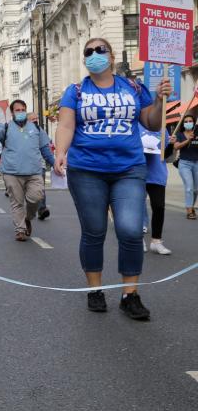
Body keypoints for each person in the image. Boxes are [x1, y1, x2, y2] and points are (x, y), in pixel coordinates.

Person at [54, 37, 169, 321]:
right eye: (88, 52)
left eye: (99, 50)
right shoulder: (76, 91)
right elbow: (66, 124)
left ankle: (130, 295)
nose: (94, 55)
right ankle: (96, 290)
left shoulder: (132, 87)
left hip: (129, 168)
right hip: (86, 170)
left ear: (112, 55)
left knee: (130, 230)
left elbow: (151, 123)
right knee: (94, 231)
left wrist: (158, 100)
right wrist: (60, 152)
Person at [0, 99, 55, 241]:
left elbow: (45, 149)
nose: (21, 112)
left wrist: (55, 164)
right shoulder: (6, 128)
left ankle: (28, 218)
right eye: (17, 110)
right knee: (17, 202)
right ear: (12, 113)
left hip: (34, 172)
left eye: (23, 109)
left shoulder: (36, 128)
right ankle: (20, 230)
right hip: (11, 172)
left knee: (36, 198)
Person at [140, 128, 172, 255]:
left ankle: (156, 241)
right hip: (137, 173)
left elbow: (166, 154)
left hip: (157, 174)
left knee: (159, 207)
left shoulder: (163, 128)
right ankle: (138, 239)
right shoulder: (137, 125)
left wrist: (172, 144)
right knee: (137, 208)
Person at [174, 113, 198, 219]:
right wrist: (188, 140)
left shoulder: (196, 133)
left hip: (196, 163)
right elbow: (176, 147)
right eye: (186, 121)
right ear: (183, 124)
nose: (188, 123)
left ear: (193, 122)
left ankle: (191, 206)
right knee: (189, 187)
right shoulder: (179, 134)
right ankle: (189, 211)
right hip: (184, 164)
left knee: (196, 189)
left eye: (190, 121)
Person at [29, 112, 51, 221]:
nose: (35, 120)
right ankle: (29, 211)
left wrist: (54, 163)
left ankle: (42, 209)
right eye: (32, 119)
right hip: (24, 166)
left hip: (39, 165)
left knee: (40, 188)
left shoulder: (40, 131)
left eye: (36, 118)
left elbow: (46, 149)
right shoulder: (20, 132)